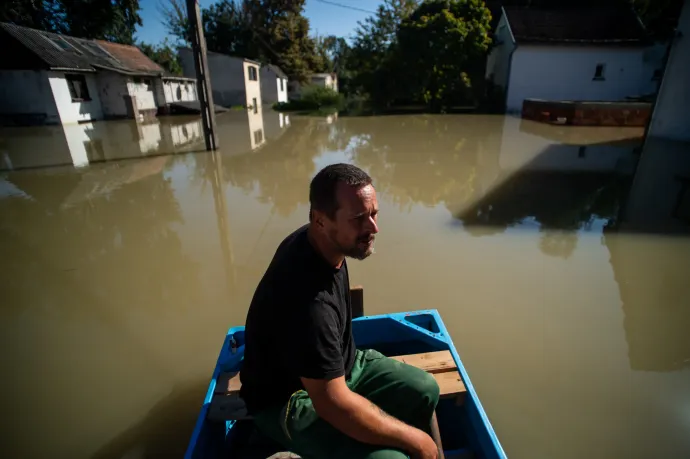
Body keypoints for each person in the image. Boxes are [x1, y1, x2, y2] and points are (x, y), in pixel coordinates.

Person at [240, 163, 440, 459]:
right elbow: (330, 402)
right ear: (320, 221)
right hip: (291, 400)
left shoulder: (323, 240)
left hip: (340, 369)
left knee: (425, 388)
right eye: (359, 218)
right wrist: (417, 441)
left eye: (374, 214)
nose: (373, 228)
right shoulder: (309, 302)